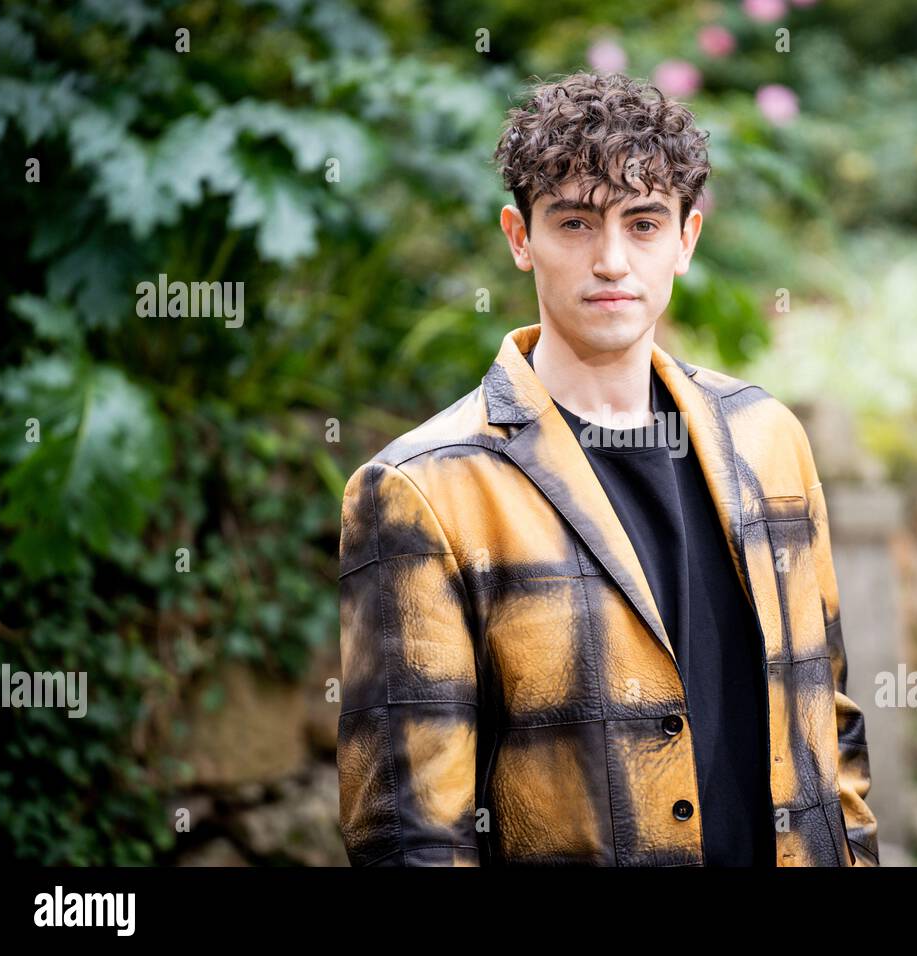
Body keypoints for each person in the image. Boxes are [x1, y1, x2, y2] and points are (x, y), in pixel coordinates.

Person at [336, 70, 879, 867]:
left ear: (687, 239)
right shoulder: (426, 490)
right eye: (575, 224)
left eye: (645, 223)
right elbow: (409, 836)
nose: (613, 261)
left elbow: (829, 727)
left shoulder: (770, 438)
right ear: (520, 239)